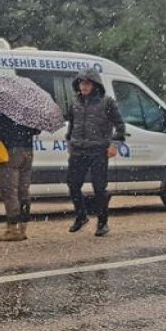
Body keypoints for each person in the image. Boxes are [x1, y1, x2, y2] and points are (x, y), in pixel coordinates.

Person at [65, 69, 126, 237]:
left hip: (99, 151)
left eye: (87, 83)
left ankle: (102, 222)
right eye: (81, 83)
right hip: (78, 151)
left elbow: (120, 126)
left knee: (99, 188)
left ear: (95, 85)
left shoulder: (107, 103)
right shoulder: (74, 103)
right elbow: (71, 125)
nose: (83, 86)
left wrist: (114, 144)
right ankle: (81, 216)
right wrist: (69, 141)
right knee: (72, 184)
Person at [0, 108, 41, 243]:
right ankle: (23, 227)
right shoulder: (28, 107)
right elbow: (36, 130)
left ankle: (12, 229)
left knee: (9, 190)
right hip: (27, 150)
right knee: (23, 189)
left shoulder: (2, 107)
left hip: (10, 151)